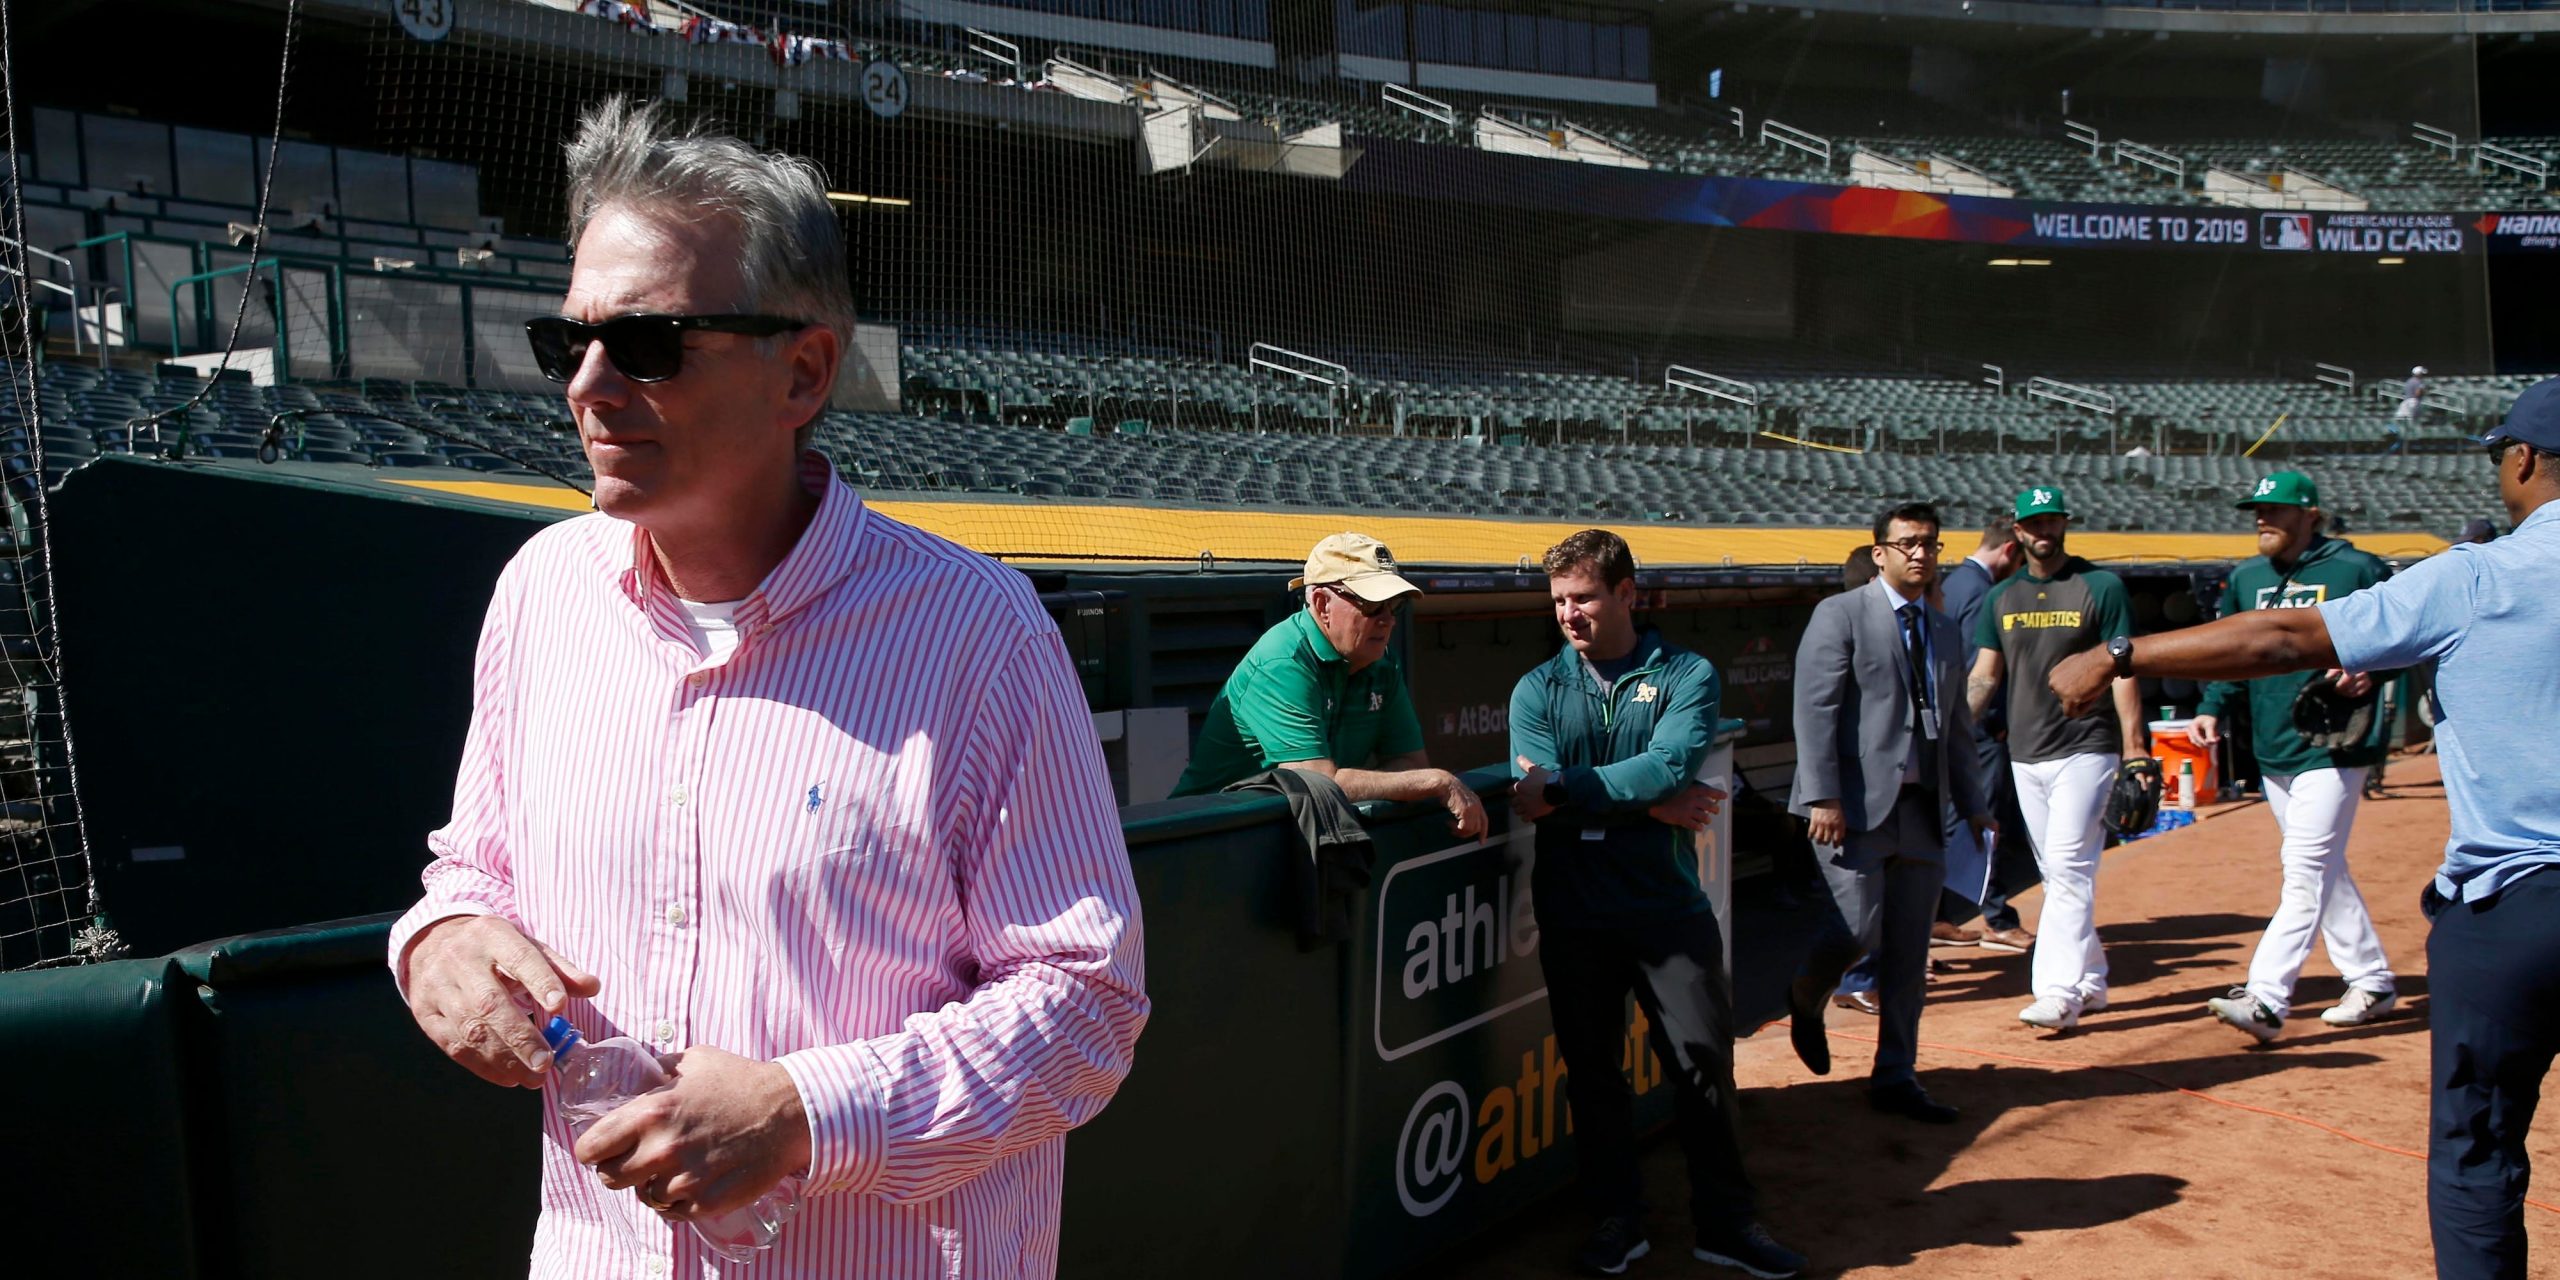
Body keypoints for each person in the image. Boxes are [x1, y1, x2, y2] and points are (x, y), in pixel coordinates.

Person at [387, 99, 1147, 1277]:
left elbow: (1085, 1007)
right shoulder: (541, 592)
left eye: (647, 344)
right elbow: (473, 868)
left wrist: (801, 1111)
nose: (586, 385)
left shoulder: (975, 633)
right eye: (566, 341)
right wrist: (437, 936)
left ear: (802, 373)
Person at [2049, 377, 2560, 1280]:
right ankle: (2337, 977)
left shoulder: (2479, 573)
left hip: (2517, 904)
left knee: (2478, 1151)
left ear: (2522, 460)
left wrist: (2119, 652)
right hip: (2330, 782)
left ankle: (2282, 988)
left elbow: (2282, 642)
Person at [1508, 529, 1802, 1280]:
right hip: (1574, 912)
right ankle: (1618, 1219)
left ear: (1627, 594)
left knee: (1702, 1065)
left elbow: (1667, 765)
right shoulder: (1537, 688)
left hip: (1665, 907)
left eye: (1585, 598)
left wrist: (1577, 790)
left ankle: (1728, 1224)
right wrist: (1647, 805)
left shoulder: (1686, 674)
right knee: (1592, 1075)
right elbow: (1529, 799)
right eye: (1560, 602)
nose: (1570, 614)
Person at [1785, 504, 1994, 1125]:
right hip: (1851, 809)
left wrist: (1976, 805)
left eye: (1929, 544)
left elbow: (1956, 727)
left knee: (1908, 952)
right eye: (1906, 544)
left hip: (1921, 810)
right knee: (1854, 931)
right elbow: (1814, 709)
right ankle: (1805, 996)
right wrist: (1823, 795)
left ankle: (1897, 1074)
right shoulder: (1841, 614)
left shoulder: (1946, 629)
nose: (1919, 555)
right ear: (1879, 553)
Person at [2187, 471, 2398, 1042]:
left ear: (2310, 514)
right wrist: (2211, 703)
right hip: (2272, 744)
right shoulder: (2247, 577)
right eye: (2258, 509)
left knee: (2304, 870)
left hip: (2336, 745)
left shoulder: (2355, 569)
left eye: (2276, 510)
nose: (2263, 519)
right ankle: (2372, 980)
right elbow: (2229, 647)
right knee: (2324, 868)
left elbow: (2407, 634)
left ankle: (2265, 998)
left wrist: (2374, 670)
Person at [1965, 485, 2146, 1033]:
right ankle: (2091, 980)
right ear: (2017, 532)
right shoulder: (2002, 598)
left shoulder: (2100, 586)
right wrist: (1951, 734)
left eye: (2052, 522)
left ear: (2065, 524)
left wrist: (2136, 749)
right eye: (2033, 524)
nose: (2044, 532)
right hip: (2026, 751)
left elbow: (2124, 667)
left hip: (2086, 747)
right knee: (2060, 871)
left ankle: (2056, 991)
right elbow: (1985, 675)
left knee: (2066, 869)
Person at [1170, 532, 1488, 838]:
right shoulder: (1283, 661)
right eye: (1373, 605)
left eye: (1395, 606)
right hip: (1201, 840)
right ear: (1322, 604)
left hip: (1276, 841)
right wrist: (1434, 782)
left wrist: (1416, 778)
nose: (1388, 620)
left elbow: (1411, 763)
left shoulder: (1381, 661)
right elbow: (1317, 782)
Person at [1936, 514, 2034, 955]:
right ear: (2010, 550)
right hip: (1974, 729)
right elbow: (1980, 672)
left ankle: (1937, 915)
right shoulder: (1982, 591)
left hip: (1955, 726)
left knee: (1955, 823)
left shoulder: (1954, 582)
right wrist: (1984, 726)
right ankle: (1996, 917)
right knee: (1982, 825)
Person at [2389, 366, 2428, 455]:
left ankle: (2402, 438)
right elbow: (2417, 393)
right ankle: (2410, 439)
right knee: (2411, 422)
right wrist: (2424, 392)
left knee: (2402, 419)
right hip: (2414, 402)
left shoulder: (2409, 381)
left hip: (2406, 401)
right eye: (2422, 374)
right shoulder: (2419, 382)